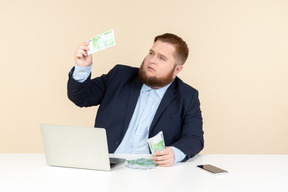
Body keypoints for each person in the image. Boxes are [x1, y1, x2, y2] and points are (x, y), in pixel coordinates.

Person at [67, 33, 204, 167]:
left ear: (177, 69)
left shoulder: (187, 96)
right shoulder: (119, 76)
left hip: (153, 172)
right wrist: (82, 67)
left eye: (162, 58)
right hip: (108, 164)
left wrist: (175, 153)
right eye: (151, 53)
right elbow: (81, 98)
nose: (152, 60)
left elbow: (194, 138)